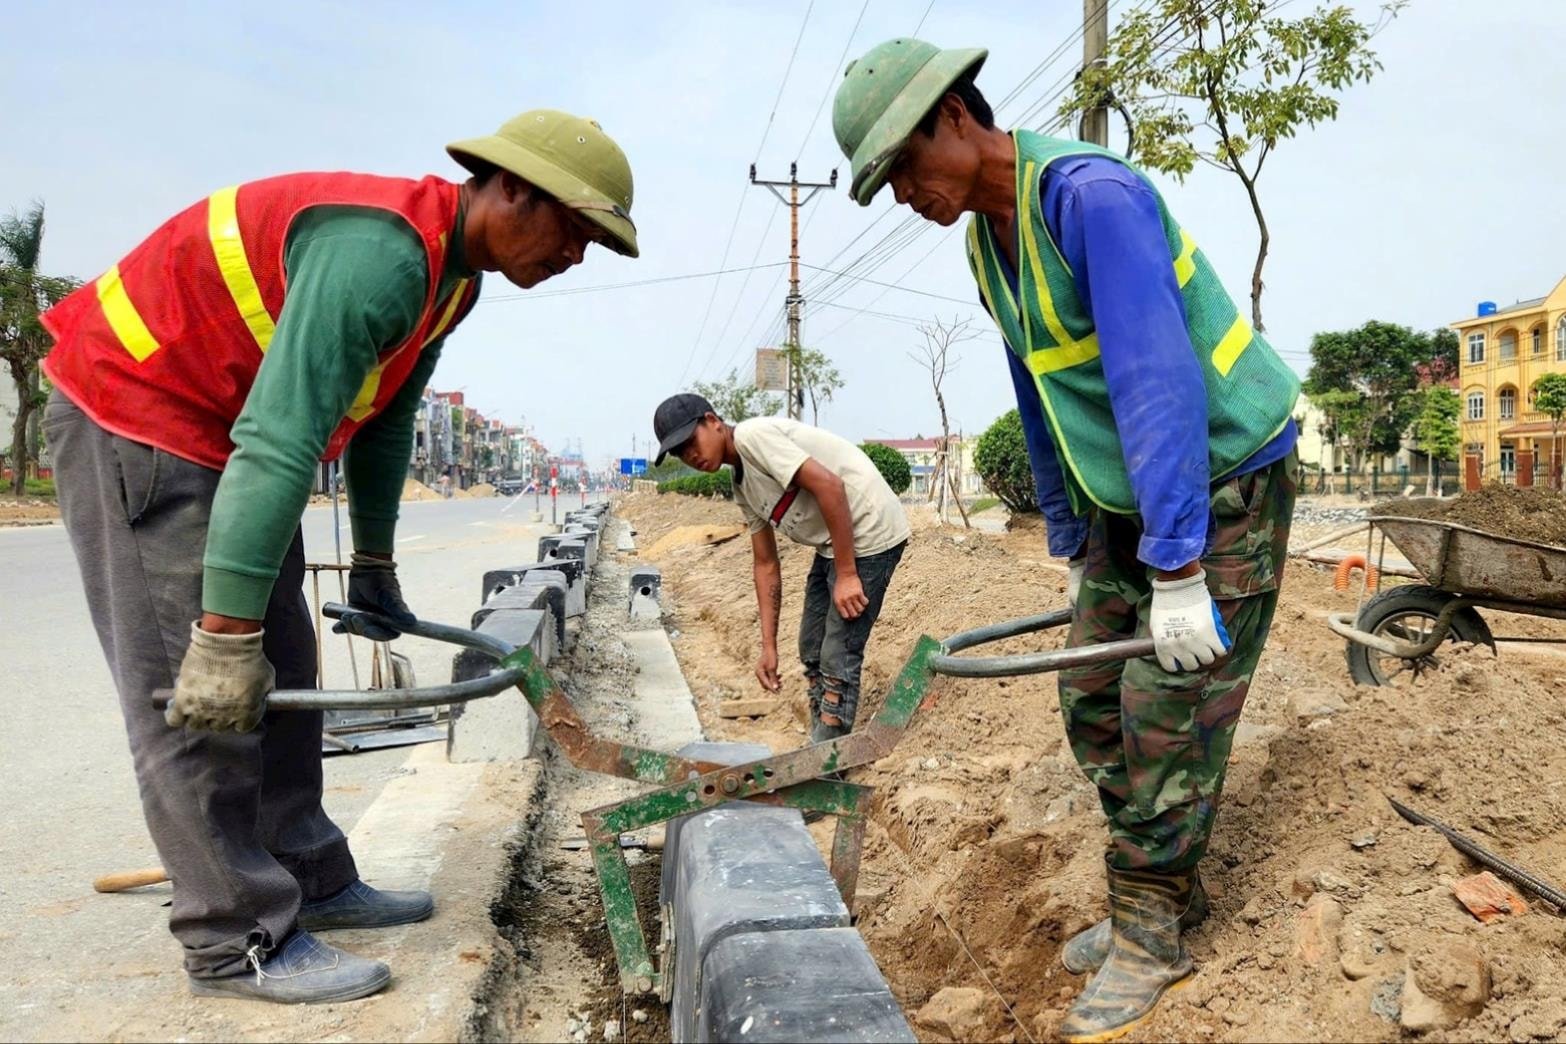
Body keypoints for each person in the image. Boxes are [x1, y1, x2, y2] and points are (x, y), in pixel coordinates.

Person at [40, 110, 638, 1004]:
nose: (575, 259)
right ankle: (234, 937)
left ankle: (310, 874)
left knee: (281, 665)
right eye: (575, 232)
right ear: (510, 187)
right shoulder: (382, 256)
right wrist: (223, 632)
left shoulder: (449, 279)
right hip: (138, 418)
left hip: (217, 434)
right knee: (196, 692)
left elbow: (385, 417)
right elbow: (283, 441)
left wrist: (373, 562)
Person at [832, 40, 1300, 1042]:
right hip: (1133, 510)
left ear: (957, 114)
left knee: (1165, 711)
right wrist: (1071, 527)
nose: (907, 193)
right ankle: (1165, 894)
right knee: (1092, 699)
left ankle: (1149, 932)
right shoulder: (985, 240)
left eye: (908, 167)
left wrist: (1177, 572)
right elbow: (1038, 383)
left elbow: (1155, 385)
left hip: (1223, 484)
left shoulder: (1090, 199)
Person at [650, 394, 910, 744]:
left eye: (690, 442)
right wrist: (768, 647)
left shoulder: (753, 437)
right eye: (680, 454)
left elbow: (830, 486)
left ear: (712, 421)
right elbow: (766, 564)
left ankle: (827, 755)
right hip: (833, 544)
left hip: (870, 530)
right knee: (810, 647)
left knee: (838, 652)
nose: (690, 456)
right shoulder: (741, 485)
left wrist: (847, 575)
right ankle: (822, 737)